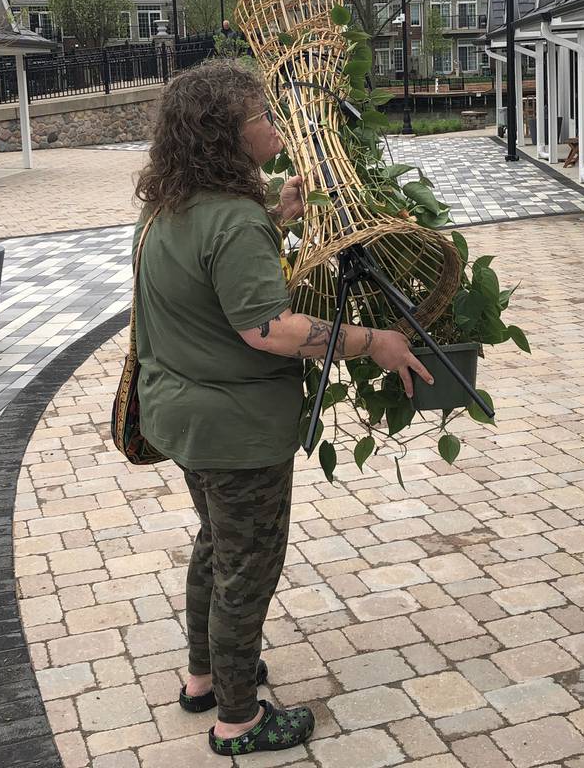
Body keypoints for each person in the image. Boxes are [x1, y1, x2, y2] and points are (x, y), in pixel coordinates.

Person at [131, 59, 431, 756]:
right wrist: (371, 340)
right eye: (261, 116)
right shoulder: (233, 222)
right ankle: (239, 720)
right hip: (235, 429)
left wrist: (275, 211)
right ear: (223, 138)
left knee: (215, 546)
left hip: (182, 416)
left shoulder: (170, 206)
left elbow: (208, 261)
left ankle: (203, 677)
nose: (274, 125)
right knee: (247, 568)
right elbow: (269, 329)